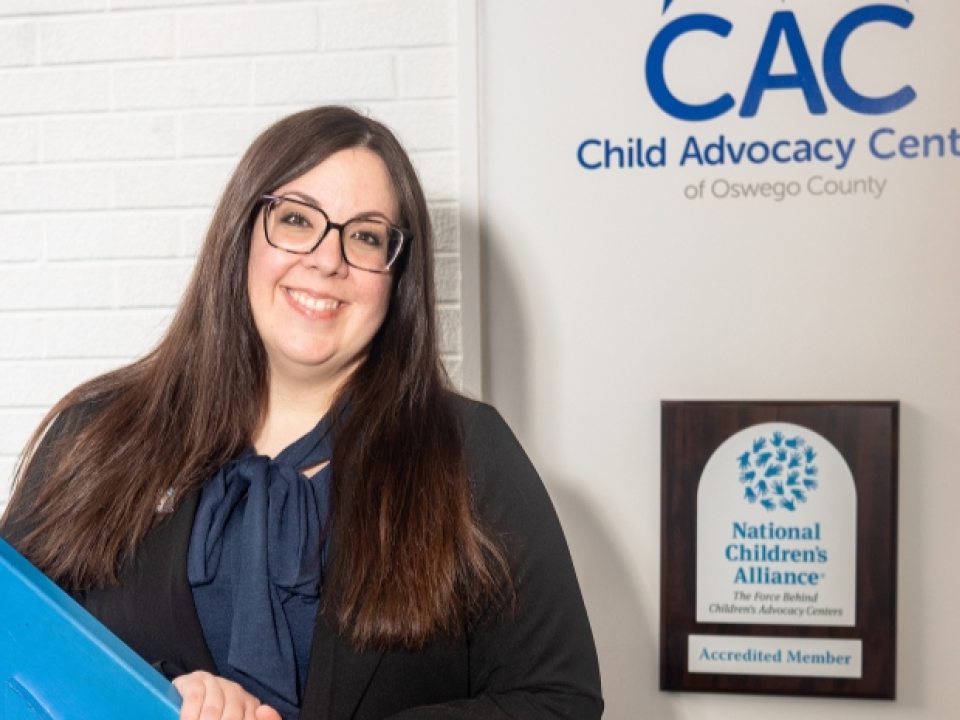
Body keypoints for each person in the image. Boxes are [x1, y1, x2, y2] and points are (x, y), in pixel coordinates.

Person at [0, 106, 602, 720]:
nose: (327, 259)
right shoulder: (98, 436)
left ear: (396, 275)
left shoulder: (467, 452)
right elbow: (10, 647)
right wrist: (152, 701)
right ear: (242, 235)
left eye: (365, 236)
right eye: (295, 219)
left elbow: (559, 702)